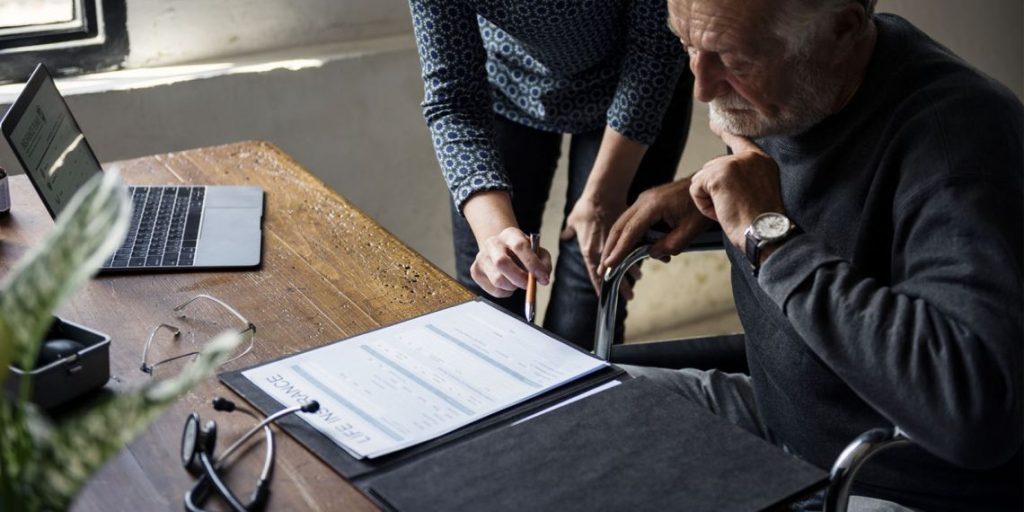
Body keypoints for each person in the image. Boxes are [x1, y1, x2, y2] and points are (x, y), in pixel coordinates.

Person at [599, 0, 1022, 510]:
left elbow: (974, 414)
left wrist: (767, 233)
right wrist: (709, 194)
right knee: (568, 417)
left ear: (843, 27)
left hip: (884, 479)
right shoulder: (809, 84)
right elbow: (842, 185)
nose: (701, 88)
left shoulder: (959, 149)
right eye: (687, 45)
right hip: (776, 416)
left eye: (733, 60)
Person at [407, 0, 694, 348]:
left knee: (584, 320)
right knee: (490, 311)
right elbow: (453, 96)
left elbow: (655, 48)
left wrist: (602, 197)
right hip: (508, 86)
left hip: (635, 89)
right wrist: (495, 234)